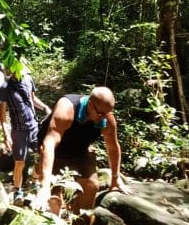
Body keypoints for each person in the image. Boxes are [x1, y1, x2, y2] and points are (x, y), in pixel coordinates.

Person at [31, 86, 130, 215]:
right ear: (90, 104)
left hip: (80, 149)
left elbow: (112, 147)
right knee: (54, 200)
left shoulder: (106, 118)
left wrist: (115, 177)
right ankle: (38, 175)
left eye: (107, 113)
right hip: (56, 149)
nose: (103, 118)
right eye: (100, 114)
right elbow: (49, 144)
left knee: (92, 186)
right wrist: (45, 186)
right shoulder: (66, 109)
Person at [0, 69, 51, 206]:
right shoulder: (5, 87)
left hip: (34, 125)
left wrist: (45, 108)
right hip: (18, 129)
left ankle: (33, 181)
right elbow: (2, 113)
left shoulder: (28, 79)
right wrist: (5, 134)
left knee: (41, 155)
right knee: (20, 162)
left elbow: (32, 98)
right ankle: (18, 191)